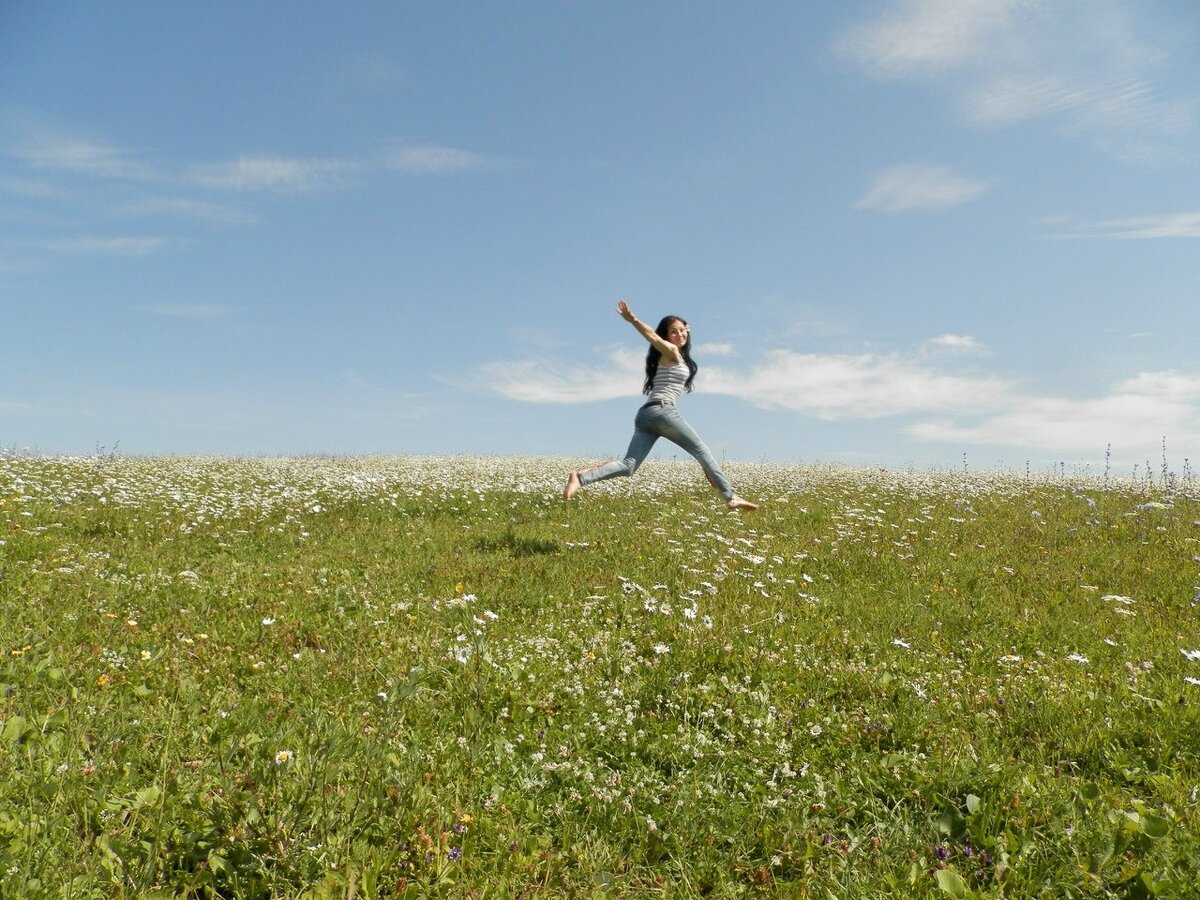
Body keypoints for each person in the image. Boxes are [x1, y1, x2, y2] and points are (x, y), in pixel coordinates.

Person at [563, 300, 758, 511]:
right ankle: (730, 496)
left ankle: (580, 478)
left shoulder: (678, 357)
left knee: (629, 466)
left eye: (682, 330)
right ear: (667, 336)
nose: (679, 335)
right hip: (663, 411)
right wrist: (633, 320)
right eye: (673, 332)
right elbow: (652, 336)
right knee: (702, 450)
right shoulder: (671, 351)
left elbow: (659, 339)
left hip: (646, 415)